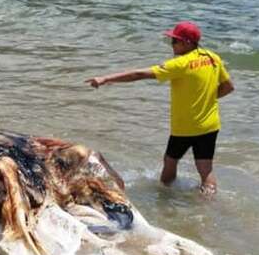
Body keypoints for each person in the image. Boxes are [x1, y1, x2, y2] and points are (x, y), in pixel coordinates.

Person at [85, 21, 234, 194]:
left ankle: (165, 198)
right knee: (205, 169)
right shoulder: (212, 57)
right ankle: (209, 206)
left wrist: (106, 78)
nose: (172, 45)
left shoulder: (180, 64)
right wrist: (205, 100)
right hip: (210, 125)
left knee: (170, 162)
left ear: (187, 42)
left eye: (175, 41)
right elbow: (228, 87)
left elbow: (139, 74)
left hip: (185, 127)